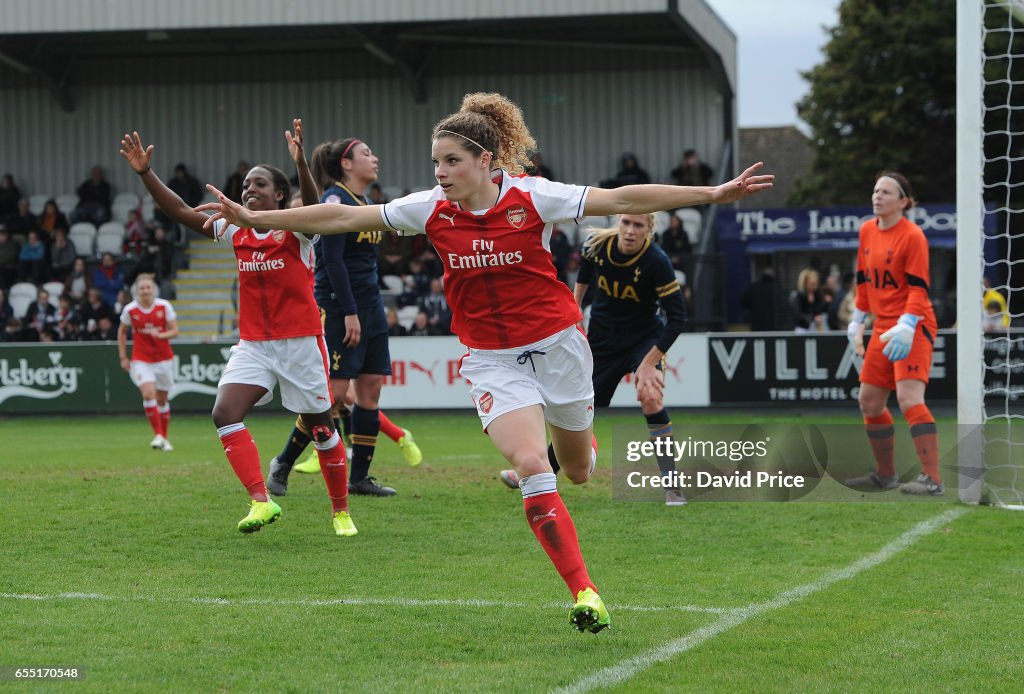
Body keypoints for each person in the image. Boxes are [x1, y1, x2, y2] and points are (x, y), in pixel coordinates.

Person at [199, 91, 772, 633]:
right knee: (529, 462)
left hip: (560, 346)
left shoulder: (533, 196)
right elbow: (342, 220)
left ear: (485, 160)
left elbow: (621, 199)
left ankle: (583, 447)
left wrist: (712, 194)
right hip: (489, 359)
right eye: (435, 162)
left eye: (451, 161)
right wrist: (258, 222)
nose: (440, 172)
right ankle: (584, 592)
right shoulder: (429, 209)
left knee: (578, 470)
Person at [120, 121, 358, 537]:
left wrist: (301, 163)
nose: (249, 189)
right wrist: (145, 173)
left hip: (301, 343)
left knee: (322, 428)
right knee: (224, 413)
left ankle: (340, 512)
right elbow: (178, 211)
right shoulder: (235, 230)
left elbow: (315, 209)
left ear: (279, 195)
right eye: (246, 184)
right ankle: (260, 502)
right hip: (254, 345)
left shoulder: (296, 231)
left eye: (259, 184)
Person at [266, 136, 419, 498]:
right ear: (347, 164)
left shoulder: (364, 201)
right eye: (367, 153)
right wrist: (349, 312)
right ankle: (283, 463)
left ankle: (360, 478)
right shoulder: (334, 199)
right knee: (333, 394)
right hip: (340, 307)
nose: (375, 158)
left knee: (370, 392)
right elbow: (331, 262)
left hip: (369, 307)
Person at [501, 213, 689, 506]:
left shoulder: (657, 262)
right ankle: (542, 470)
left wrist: (649, 362)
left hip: (644, 340)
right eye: (626, 222)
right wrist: (574, 321)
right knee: (580, 408)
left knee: (651, 397)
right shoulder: (596, 246)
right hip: (602, 341)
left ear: (649, 230)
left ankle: (672, 486)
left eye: (638, 225)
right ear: (618, 222)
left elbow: (677, 319)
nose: (629, 230)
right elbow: (582, 283)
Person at [844, 172, 943, 496]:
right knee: (869, 402)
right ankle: (885, 475)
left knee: (908, 397)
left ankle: (933, 479)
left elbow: (919, 288)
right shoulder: (866, 231)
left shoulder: (913, 236)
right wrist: (858, 319)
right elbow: (863, 281)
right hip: (883, 326)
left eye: (886, 192)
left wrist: (908, 324)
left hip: (912, 324)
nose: (877, 196)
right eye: (875, 190)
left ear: (903, 201)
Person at [117, 274, 179, 450]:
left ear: (153, 290)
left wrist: (162, 335)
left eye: (148, 287)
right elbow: (122, 332)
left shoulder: (164, 306)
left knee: (162, 399)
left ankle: (163, 438)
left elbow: (175, 331)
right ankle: (158, 435)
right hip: (141, 358)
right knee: (148, 394)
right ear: (136, 291)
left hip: (163, 358)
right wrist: (123, 356)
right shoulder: (130, 310)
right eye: (142, 288)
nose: (145, 291)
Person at [789, 267, 829, 332]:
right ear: (804, 282)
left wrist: (826, 303)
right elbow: (797, 314)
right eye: (811, 284)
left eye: (815, 284)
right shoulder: (797, 295)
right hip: (802, 328)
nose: (814, 286)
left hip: (816, 328)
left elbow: (820, 310)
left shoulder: (818, 294)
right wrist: (812, 318)